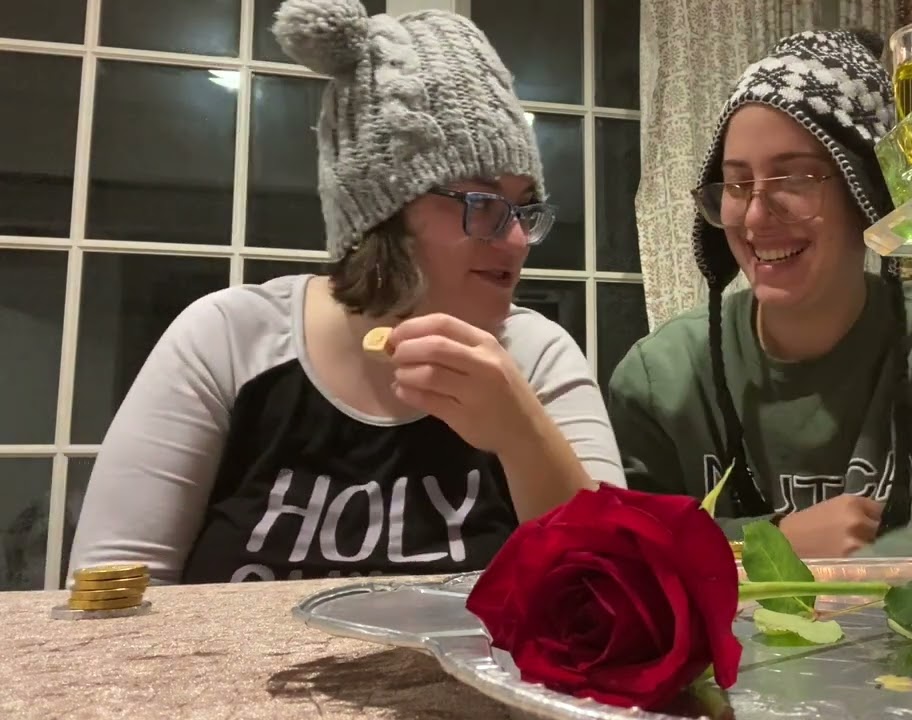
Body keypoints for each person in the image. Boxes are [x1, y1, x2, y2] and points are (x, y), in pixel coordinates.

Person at [68, 0, 624, 585]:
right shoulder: (228, 341)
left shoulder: (535, 355)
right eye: (482, 204)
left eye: (524, 208)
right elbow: (112, 598)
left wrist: (522, 434)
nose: (516, 240)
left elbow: (621, 592)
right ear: (381, 212)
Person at [607, 29, 912, 559]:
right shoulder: (663, 377)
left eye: (793, 179)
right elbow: (626, 560)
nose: (757, 216)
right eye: (737, 184)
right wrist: (775, 546)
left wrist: (740, 565)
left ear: (867, 193)